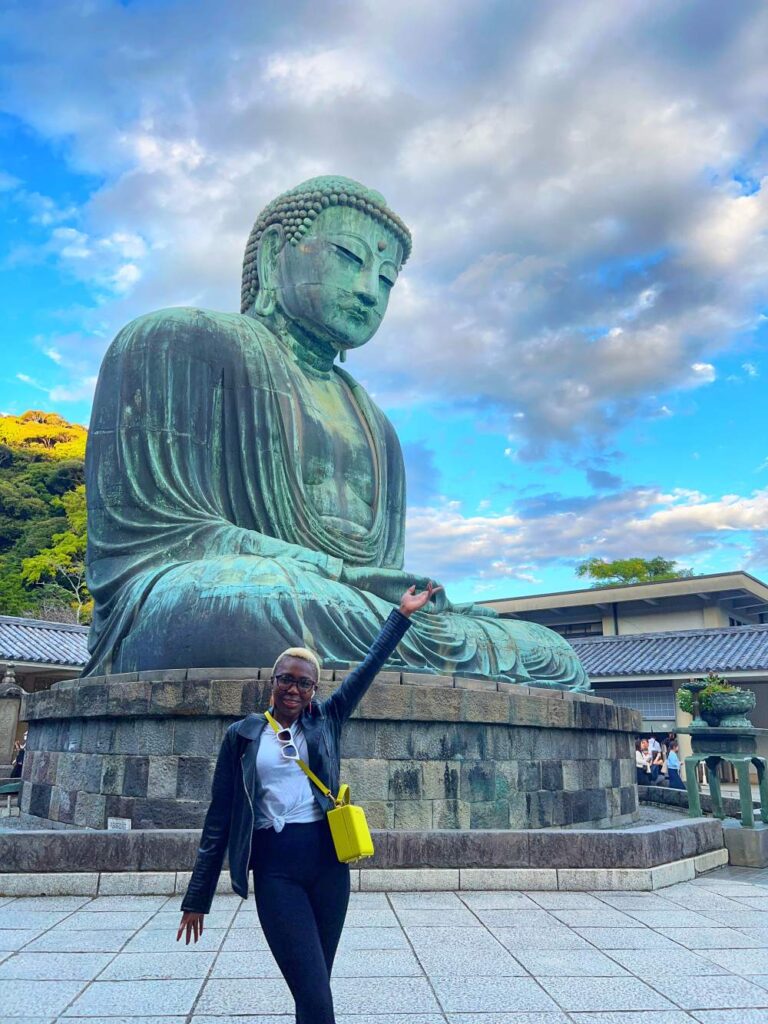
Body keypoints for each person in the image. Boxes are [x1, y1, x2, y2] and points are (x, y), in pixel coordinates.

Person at [83, 175, 588, 691]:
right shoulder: (175, 341)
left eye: (387, 280)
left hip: (345, 609)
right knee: (234, 609)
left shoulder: (378, 427)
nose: (370, 292)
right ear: (274, 254)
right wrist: (338, 574)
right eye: (349, 257)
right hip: (225, 596)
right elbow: (158, 540)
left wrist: (383, 593)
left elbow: (383, 581)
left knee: (551, 652)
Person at [177, 582, 436, 1024]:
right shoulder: (241, 735)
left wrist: (402, 615)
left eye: (304, 683)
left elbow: (368, 668)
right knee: (312, 987)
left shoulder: (327, 721)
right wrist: (197, 896)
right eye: (286, 680)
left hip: (328, 866)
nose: (294, 689)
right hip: (276, 868)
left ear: (314, 690)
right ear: (272, 682)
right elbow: (219, 817)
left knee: (314, 988)